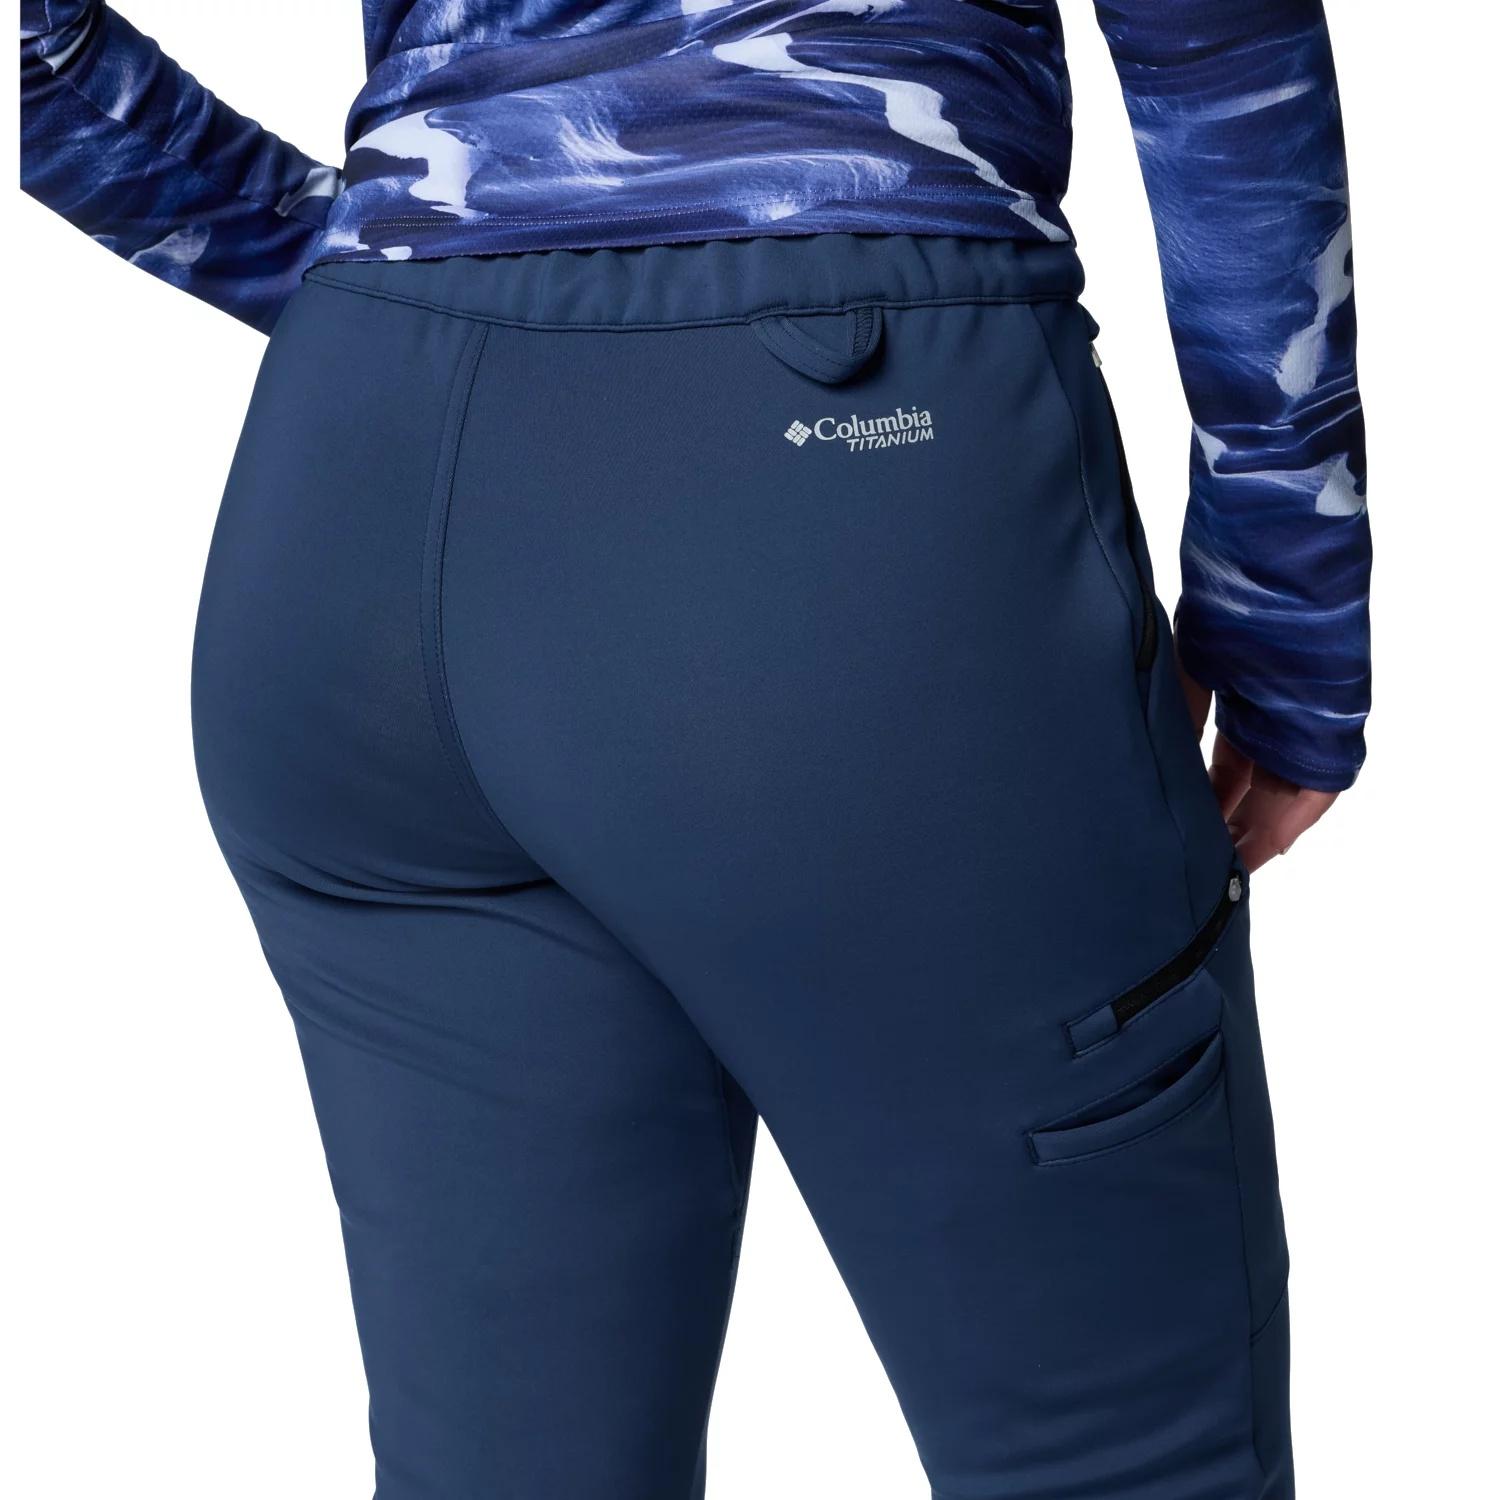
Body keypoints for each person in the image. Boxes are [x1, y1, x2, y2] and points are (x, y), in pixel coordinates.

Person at [19, 2, 1368, 1496]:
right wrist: (1287, 606)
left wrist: (402, 284)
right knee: (1129, 1464)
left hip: (356, 497)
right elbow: (1216, 43)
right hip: (845, 470)